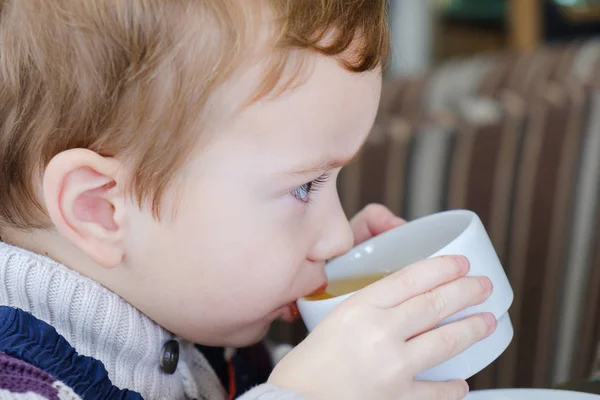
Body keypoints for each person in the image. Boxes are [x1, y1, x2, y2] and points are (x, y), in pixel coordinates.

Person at [0, 1, 496, 399]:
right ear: (100, 210)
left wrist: (352, 358)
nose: (338, 235)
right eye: (304, 187)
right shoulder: (20, 381)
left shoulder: (186, 308)